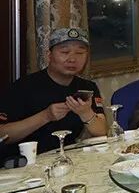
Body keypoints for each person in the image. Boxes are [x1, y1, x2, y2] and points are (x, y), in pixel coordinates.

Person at [0, 28, 106, 157]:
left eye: (80, 53)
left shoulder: (87, 87)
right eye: (65, 52)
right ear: (49, 55)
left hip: (68, 157)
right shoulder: (23, 87)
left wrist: (86, 113)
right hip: (27, 161)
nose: (72, 59)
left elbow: (102, 131)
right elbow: (3, 135)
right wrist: (45, 116)